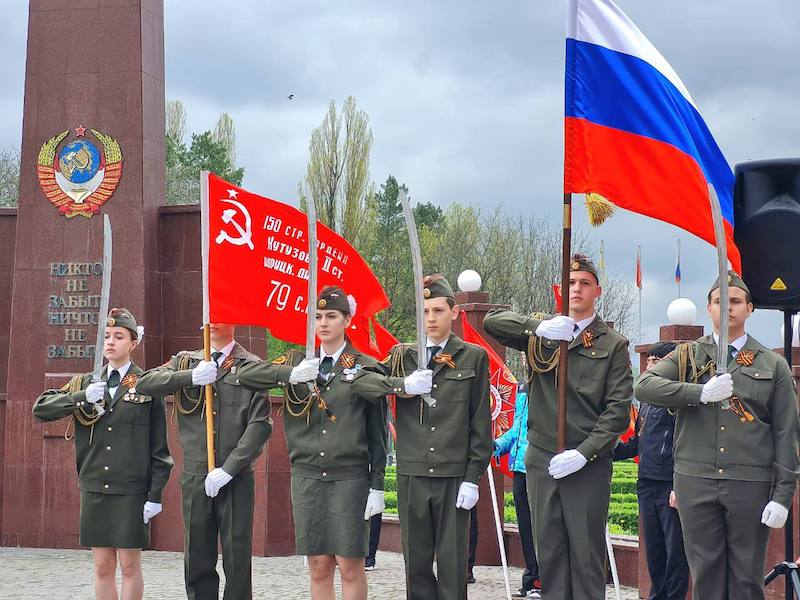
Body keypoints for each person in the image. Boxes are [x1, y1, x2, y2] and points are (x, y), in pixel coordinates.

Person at [236, 285, 432, 600]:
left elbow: (378, 432)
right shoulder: (298, 361)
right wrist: (291, 375)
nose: (324, 323)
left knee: (350, 565)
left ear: (347, 321)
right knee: (318, 565)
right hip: (307, 478)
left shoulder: (363, 365)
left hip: (349, 479)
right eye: (318, 316)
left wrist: (377, 485)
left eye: (331, 316)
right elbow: (245, 374)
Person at [635, 271, 800, 600]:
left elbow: (786, 435)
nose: (727, 308)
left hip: (749, 484)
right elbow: (644, 386)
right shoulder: (687, 357)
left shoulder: (772, 364)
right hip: (696, 483)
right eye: (719, 302)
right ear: (708, 308)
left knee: (746, 579)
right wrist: (698, 393)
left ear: (750, 309)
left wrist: (783, 496)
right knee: (705, 577)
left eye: (736, 301)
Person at [484, 254, 633, 600]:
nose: (577, 289)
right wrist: (536, 327)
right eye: (570, 283)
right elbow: (492, 322)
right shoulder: (544, 333)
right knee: (548, 553)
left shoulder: (613, 345)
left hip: (587, 463)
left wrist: (584, 453)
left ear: (597, 290)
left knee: (585, 555)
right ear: (561, 290)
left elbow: (616, 412)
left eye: (584, 283)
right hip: (541, 459)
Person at [136, 322, 314, 600]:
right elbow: (144, 383)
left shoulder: (250, 366)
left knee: (237, 558)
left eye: (221, 314)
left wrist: (229, 469)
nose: (214, 320)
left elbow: (260, 425)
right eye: (210, 314)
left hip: (236, 478)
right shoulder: (185, 362)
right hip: (195, 477)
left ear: (234, 321)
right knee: (197, 558)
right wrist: (190, 377)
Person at [33, 308, 173, 600]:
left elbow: (159, 450)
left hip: (131, 490)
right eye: (107, 336)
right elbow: (41, 409)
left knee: (130, 566)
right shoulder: (87, 383)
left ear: (133, 343)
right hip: (95, 486)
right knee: (102, 566)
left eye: (119, 336)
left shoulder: (147, 385)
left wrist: (155, 495)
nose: (110, 342)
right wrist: (82, 397)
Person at [375, 273, 493, 600]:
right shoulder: (403, 356)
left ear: (454, 312)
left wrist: (473, 478)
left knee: (454, 569)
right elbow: (364, 379)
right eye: (424, 311)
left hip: (454, 476)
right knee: (416, 567)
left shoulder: (473, 357)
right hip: (412, 475)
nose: (430, 318)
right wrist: (403, 386)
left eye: (438, 310)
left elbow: (481, 425)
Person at [614, 341, 688, 600]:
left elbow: (686, 446)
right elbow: (639, 441)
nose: (649, 367)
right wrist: (606, 451)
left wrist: (679, 485)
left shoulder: (679, 400)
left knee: (675, 553)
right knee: (654, 551)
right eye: (648, 362)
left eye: (656, 362)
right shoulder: (646, 401)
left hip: (670, 484)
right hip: (647, 480)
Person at [494, 382, 541, 598]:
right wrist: (496, 445)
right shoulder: (523, 389)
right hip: (519, 468)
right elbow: (516, 429)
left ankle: (543, 579)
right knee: (526, 527)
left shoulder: (550, 385)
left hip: (540, 467)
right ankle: (532, 577)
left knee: (541, 528)